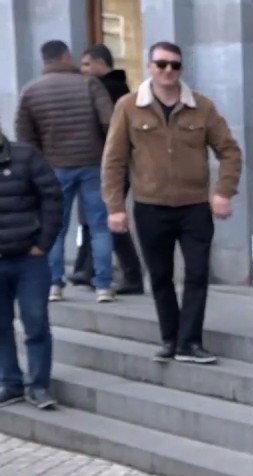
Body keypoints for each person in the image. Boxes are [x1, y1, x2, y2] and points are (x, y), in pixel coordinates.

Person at [102, 41, 244, 364]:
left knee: (197, 273)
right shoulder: (128, 106)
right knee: (160, 275)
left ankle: (190, 342)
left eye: (175, 65)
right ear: (150, 66)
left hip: (194, 206)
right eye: (162, 64)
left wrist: (223, 191)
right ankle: (170, 338)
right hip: (150, 206)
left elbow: (230, 151)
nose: (168, 70)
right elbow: (113, 160)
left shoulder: (202, 107)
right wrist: (115, 207)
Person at [14, 39, 115, 302]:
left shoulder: (31, 91)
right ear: (66, 57)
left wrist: (39, 163)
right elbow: (110, 122)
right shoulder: (89, 84)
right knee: (100, 225)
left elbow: (24, 136)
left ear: (44, 60)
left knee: (55, 226)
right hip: (93, 164)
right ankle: (103, 285)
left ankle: (54, 284)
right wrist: (108, 154)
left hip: (54, 167)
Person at [69, 43, 144, 295]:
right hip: (109, 163)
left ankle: (130, 275)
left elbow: (108, 129)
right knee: (101, 217)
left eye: (87, 64)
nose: (83, 70)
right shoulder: (113, 88)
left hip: (111, 164)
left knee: (110, 217)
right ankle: (89, 269)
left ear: (101, 64)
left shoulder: (107, 90)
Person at [0, 129, 63, 410]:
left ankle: (38, 385)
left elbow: (52, 197)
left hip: (29, 259)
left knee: (35, 321)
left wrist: (43, 242)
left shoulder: (26, 156)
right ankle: (10, 383)